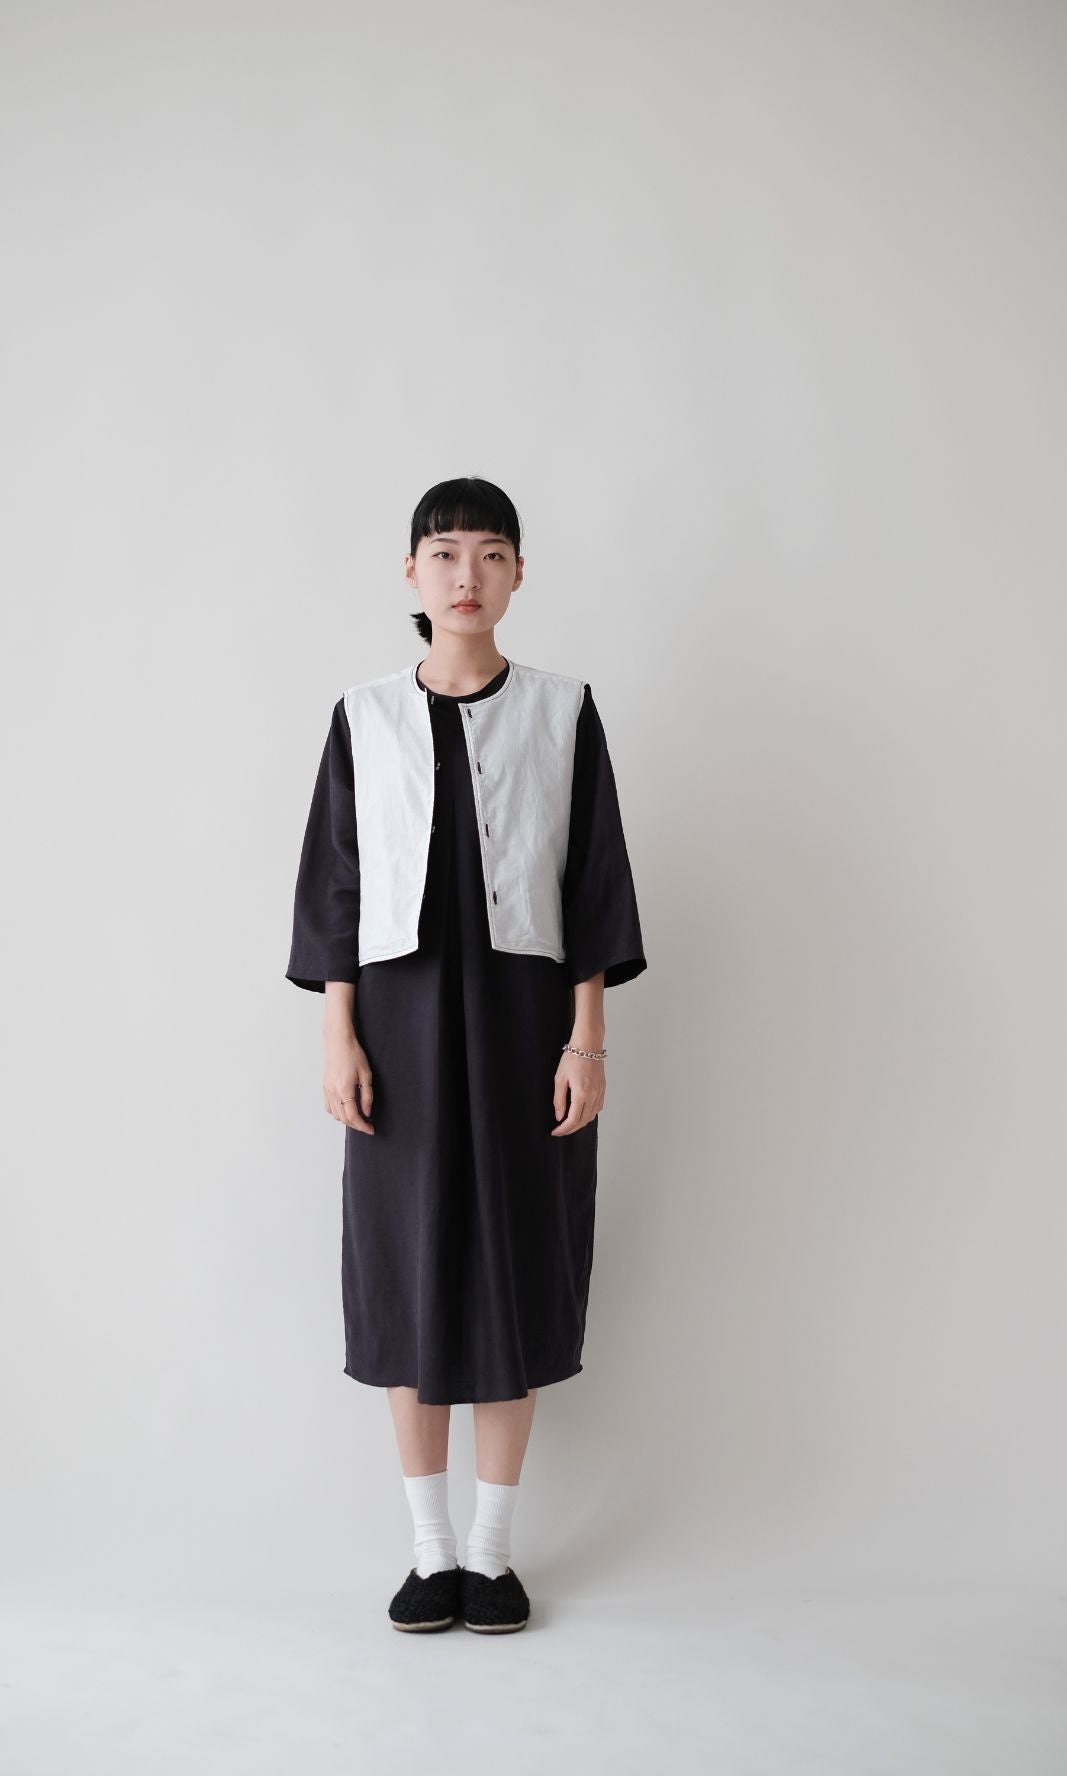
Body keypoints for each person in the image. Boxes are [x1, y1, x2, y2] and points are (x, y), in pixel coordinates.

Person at [287, 476, 646, 1633]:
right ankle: (427, 1551)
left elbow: (592, 884)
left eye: (490, 554)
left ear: (517, 574)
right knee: (407, 1269)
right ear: (411, 573)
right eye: (444, 553)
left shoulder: (562, 711)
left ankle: (492, 1555)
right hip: (395, 1032)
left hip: (524, 1027)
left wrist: (587, 1042)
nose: (465, 575)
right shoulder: (362, 717)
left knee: (515, 1265)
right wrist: (338, 1034)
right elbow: (335, 889)